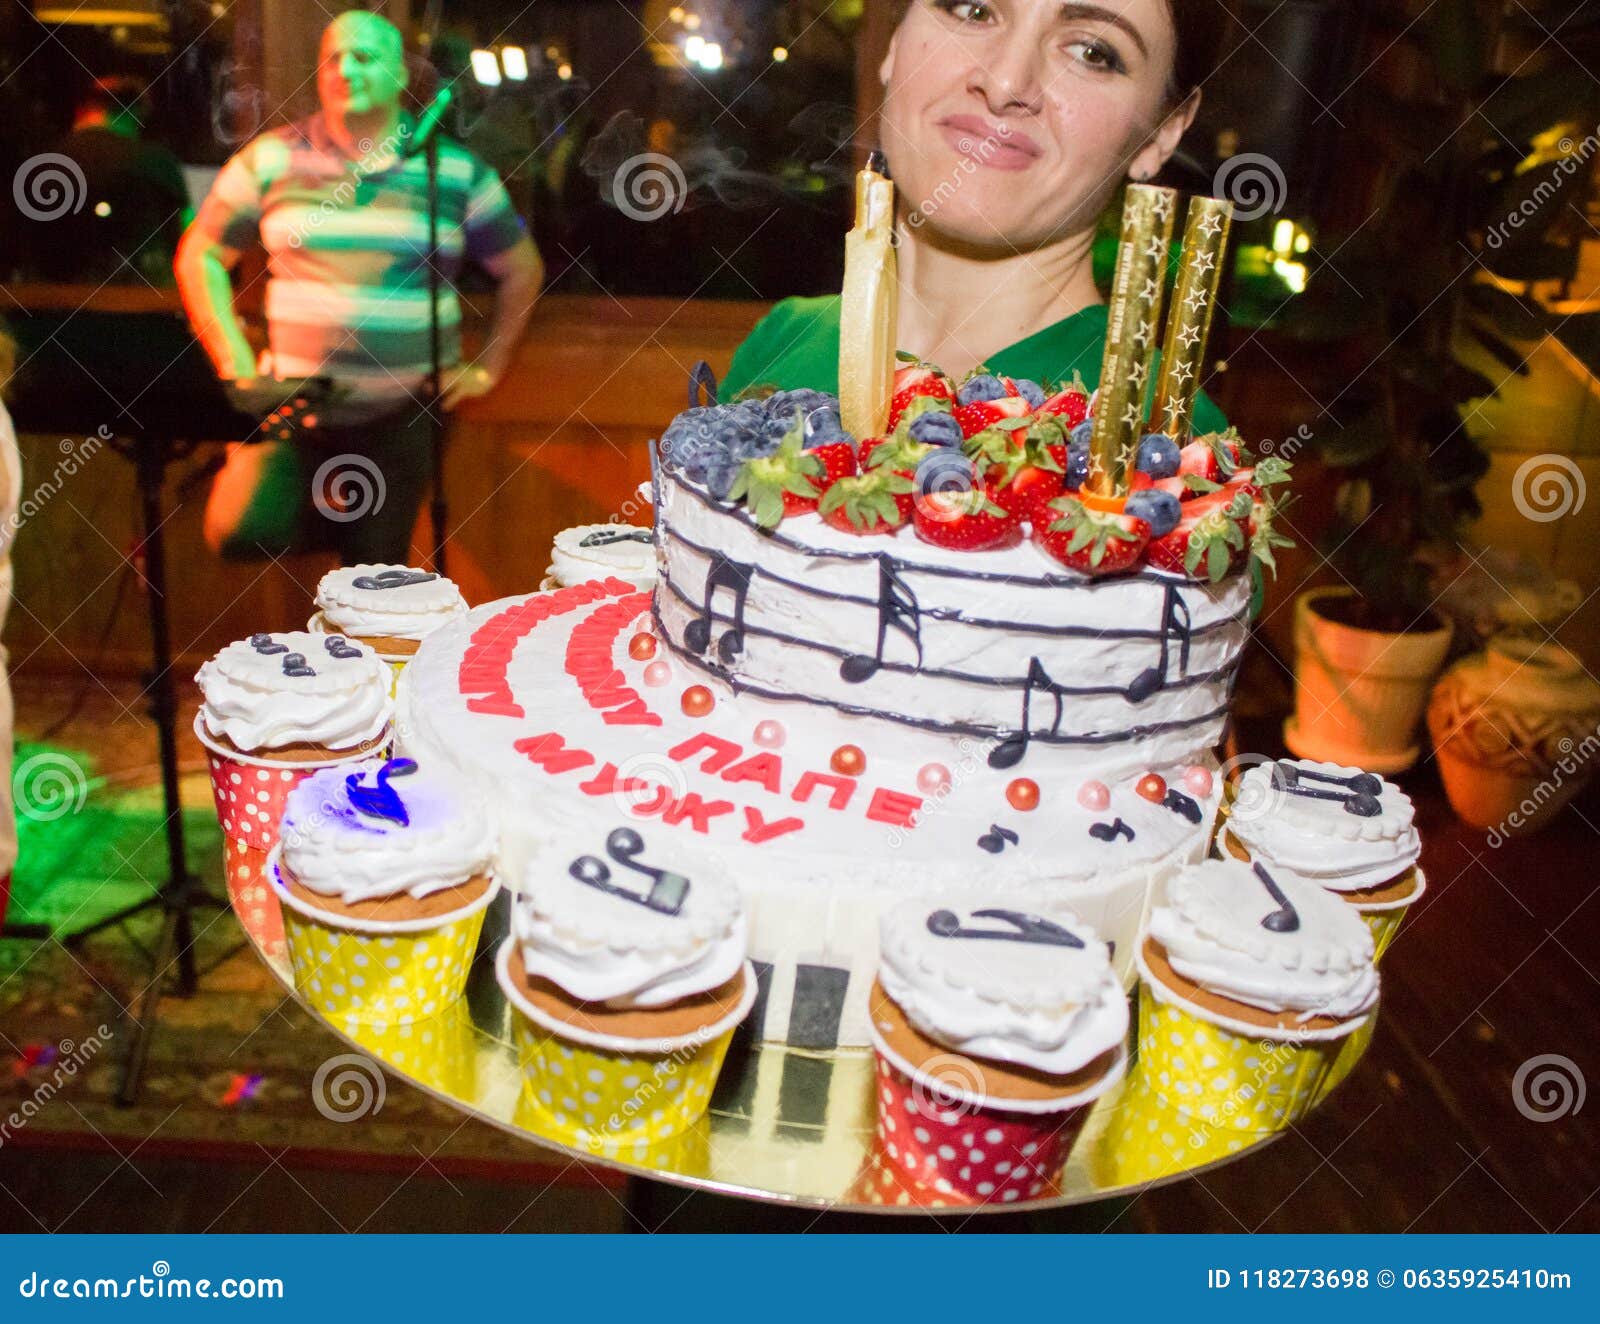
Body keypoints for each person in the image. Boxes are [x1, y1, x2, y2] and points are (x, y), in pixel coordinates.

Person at [721, 0, 1229, 434]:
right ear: (895, 42)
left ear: (1165, 130)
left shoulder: (1166, 428)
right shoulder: (782, 341)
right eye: (973, 9)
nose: (1005, 82)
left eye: (1092, 53)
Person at [175, 10, 544, 566]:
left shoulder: (453, 172)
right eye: (332, 58)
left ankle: (355, 546)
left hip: (400, 419)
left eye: (364, 57)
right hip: (290, 412)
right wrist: (235, 365)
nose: (345, 68)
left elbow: (523, 268)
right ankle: (339, 520)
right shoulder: (271, 159)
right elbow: (199, 254)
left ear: (400, 74)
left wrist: (489, 366)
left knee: (371, 582)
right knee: (238, 530)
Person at [33, 75, 191, 285]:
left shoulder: (41, 164)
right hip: (144, 302)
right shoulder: (156, 162)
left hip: (47, 304)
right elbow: (191, 238)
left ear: (81, 110)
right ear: (135, 114)